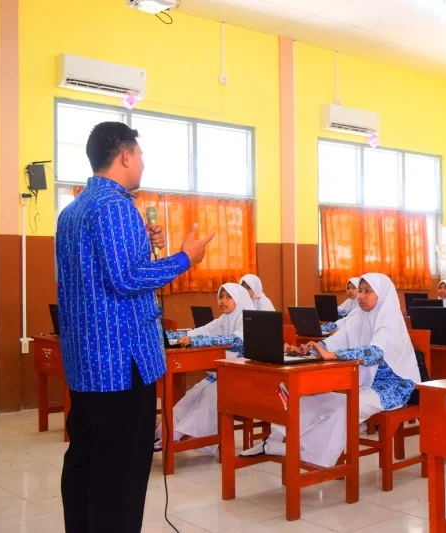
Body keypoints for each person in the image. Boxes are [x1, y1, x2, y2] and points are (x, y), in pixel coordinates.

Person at [56, 122, 214, 533]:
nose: (142, 162)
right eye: (140, 154)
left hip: (85, 362)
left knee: (86, 458)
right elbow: (125, 280)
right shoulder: (116, 206)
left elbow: (96, 272)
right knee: (121, 469)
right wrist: (185, 258)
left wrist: (142, 240)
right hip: (123, 362)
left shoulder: (74, 210)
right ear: (125, 156)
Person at [242, 274, 420, 467]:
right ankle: (275, 442)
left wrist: (332, 355)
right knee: (306, 397)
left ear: (382, 295)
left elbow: (375, 352)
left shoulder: (390, 321)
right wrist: (311, 349)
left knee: (345, 407)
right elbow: (336, 341)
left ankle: (310, 456)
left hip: (392, 386)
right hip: (360, 380)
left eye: (368, 291)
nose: (361, 296)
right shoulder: (359, 317)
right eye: (360, 290)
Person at [153, 283, 252, 455]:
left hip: (240, 379)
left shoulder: (248, 320)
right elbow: (201, 331)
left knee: (209, 397)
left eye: (229, 297)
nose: (223, 301)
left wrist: (197, 341)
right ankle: (162, 433)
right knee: (192, 395)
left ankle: (176, 435)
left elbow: (232, 340)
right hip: (219, 376)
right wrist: (168, 336)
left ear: (240, 299)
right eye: (221, 297)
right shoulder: (224, 319)